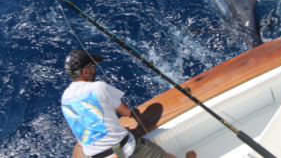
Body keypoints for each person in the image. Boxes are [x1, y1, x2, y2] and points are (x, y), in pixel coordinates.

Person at [61, 49, 197, 158]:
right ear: (85, 71)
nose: (94, 69)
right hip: (124, 150)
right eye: (92, 66)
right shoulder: (98, 87)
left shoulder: (64, 98)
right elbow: (126, 113)